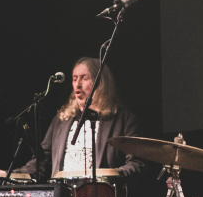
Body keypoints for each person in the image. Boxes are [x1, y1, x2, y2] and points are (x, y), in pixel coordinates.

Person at [13, 57, 142, 181]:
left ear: (100, 82)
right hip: (64, 195)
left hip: (100, 196)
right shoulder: (61, 120)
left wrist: (112, 174)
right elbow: (41, 161)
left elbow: (136, 163)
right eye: (74, 79)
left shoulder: (123, 120)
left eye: (84, 78)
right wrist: (12, 175)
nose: (77, 84)